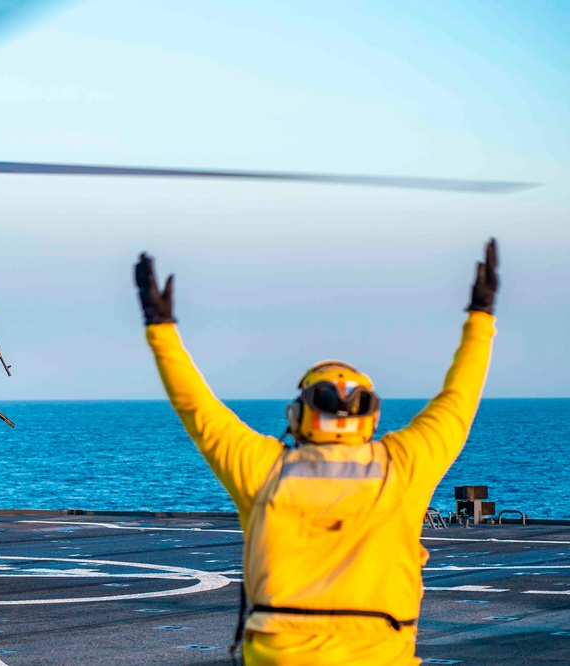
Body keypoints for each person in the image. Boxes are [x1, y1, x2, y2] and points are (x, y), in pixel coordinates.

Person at [134, 240, 499, 665]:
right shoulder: (402, 465)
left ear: (297, 415)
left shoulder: (265, 469)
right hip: (380, 653)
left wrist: (161, 328)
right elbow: (460, 398)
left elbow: (196, 407)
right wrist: (481, 318)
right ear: (371, 417)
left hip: (279, 653)